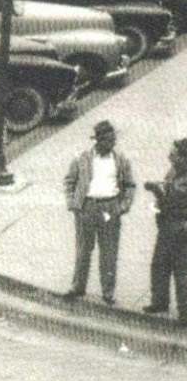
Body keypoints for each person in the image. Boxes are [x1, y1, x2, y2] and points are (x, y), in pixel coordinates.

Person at [62, 120, 136, 305]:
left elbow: (129, 185)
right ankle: (78, 287)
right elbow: (69, 181)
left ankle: (108, 292)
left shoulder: (121, 160)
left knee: (109, 251)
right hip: (87, 207)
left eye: (113, 140)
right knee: (83, 249)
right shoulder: (82, 158)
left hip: (110, 207)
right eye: (108, 140)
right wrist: (72, 203)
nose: (113, 144)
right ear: (98, 141)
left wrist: (124, 205)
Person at [143, 138, 187, 320]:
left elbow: (173, 198)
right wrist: (157, 190)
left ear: (184, 158)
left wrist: (158, 191)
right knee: (159, 264)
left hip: (181, 226)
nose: (169, 156)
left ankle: (185, 311)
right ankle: (159, 301)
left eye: (174, 154)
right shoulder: (173, 172)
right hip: (167, 224)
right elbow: (166, 192)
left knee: (182, 270)